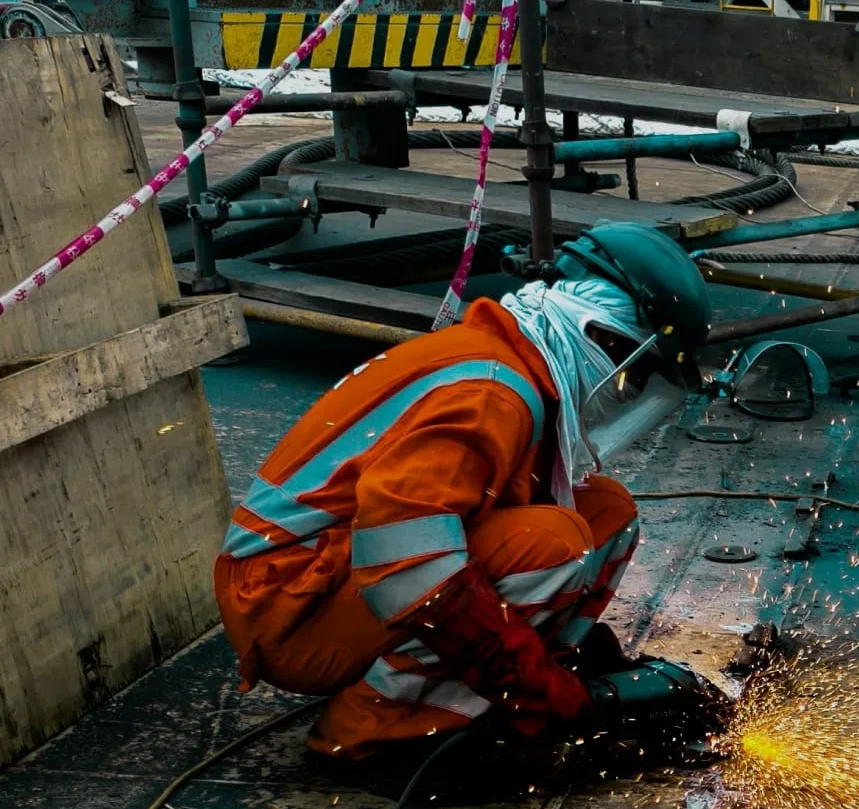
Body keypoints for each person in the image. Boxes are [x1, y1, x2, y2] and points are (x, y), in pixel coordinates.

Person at [214, 223, 710, 763]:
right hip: (288, 606)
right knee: (555, 544)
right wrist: (540, 693)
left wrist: (570, 669)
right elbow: (409, 566)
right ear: (604, 340)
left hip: (333, 574)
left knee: (607, 512)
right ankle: (371, 731)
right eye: (634, 376)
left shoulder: (512, 365)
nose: (626, 394)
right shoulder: (490, 394)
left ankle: (493, 690)